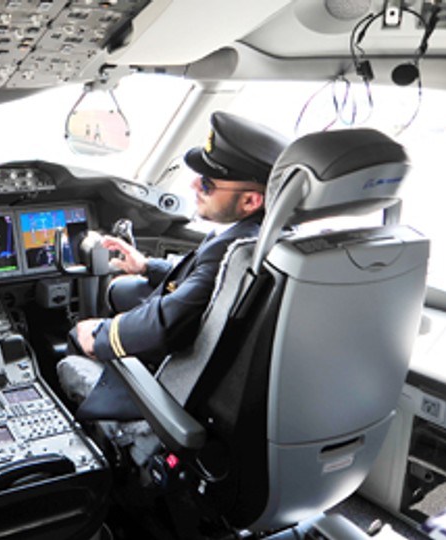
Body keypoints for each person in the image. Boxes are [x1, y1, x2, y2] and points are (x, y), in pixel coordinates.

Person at [57, 111, 289, 418]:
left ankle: (101, 434)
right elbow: (213, 283)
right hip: (227, 354)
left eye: (207, 184)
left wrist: (100, 333)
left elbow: (168, 325)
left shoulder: (234, 252)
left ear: (250, 202)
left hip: (181, 384)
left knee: (73, 346)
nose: (193, 184)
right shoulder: (268, 237)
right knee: (122, 288)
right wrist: (147, 266)